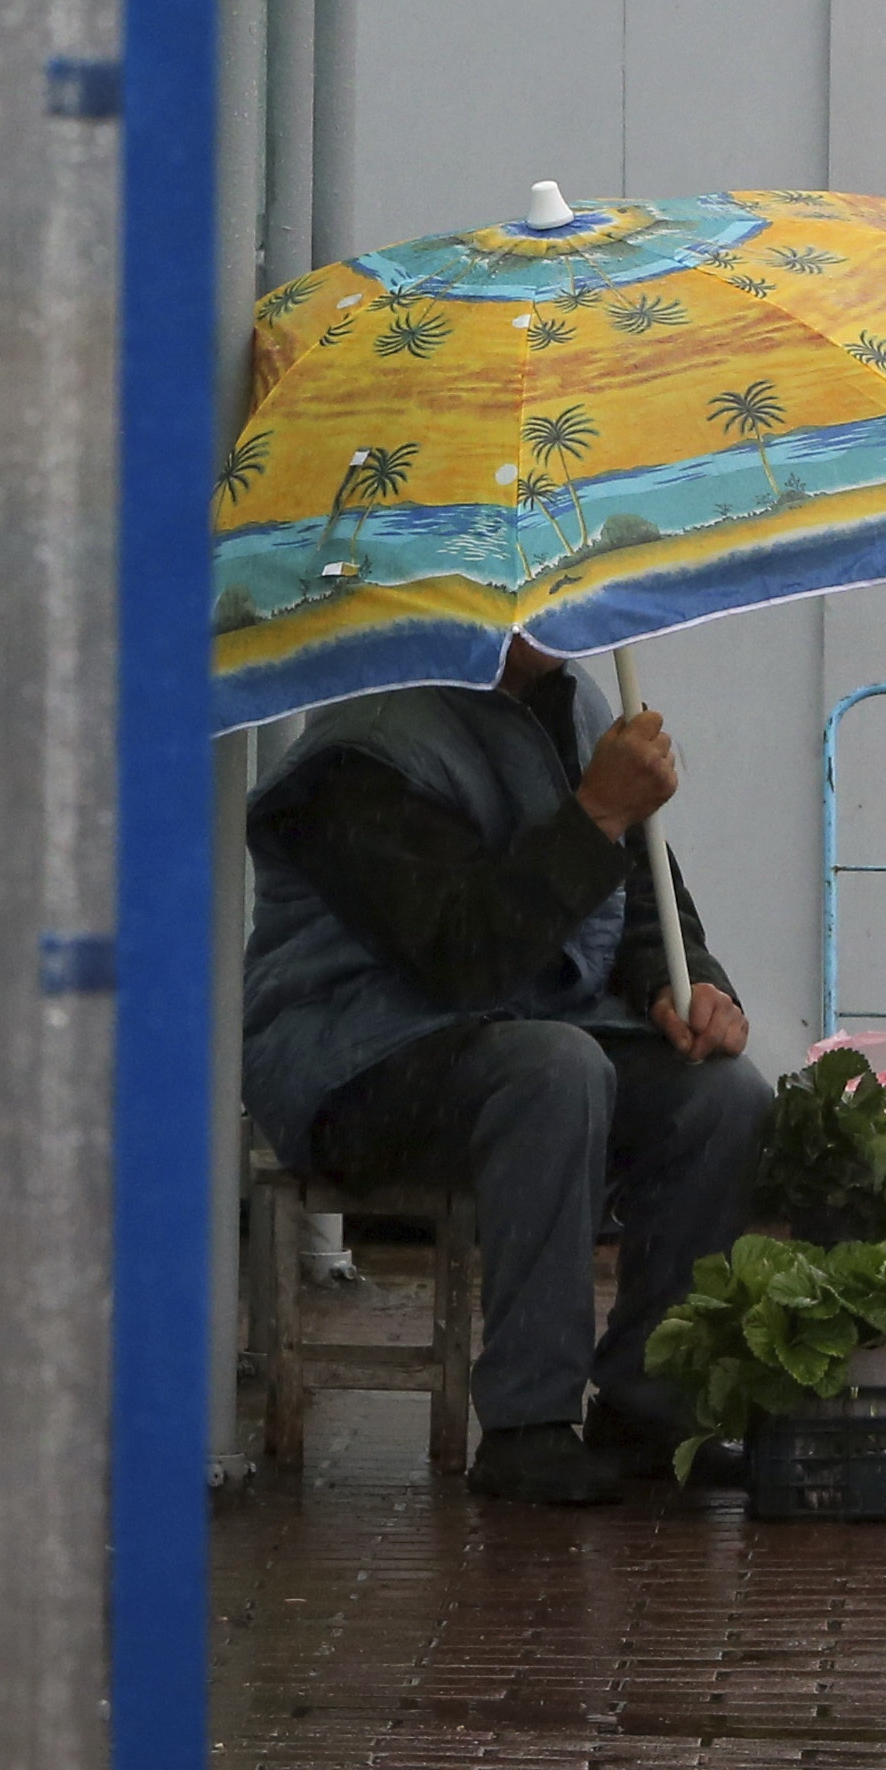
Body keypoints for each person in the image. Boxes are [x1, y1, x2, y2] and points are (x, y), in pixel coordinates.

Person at [241, 637, 755, 1505]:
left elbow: (642, 903)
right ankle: (528, 1426)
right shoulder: (361, 747)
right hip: (353, 1058)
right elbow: (456, 956)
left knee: (722, 1099)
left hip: (524, 1036)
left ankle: (655, 1410)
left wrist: (686, 986)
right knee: (554, 1072)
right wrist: (594, 813)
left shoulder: (579, 704)